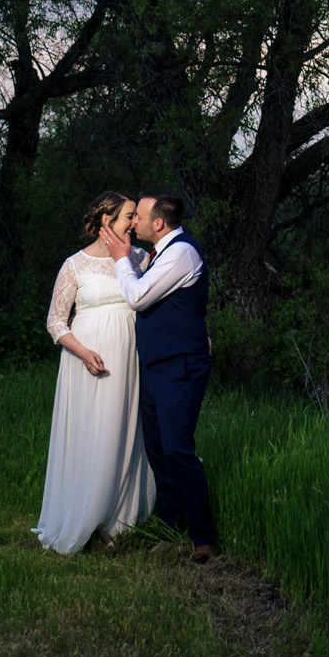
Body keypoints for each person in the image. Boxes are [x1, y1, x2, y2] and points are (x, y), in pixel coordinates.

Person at [32, 191, 155, 553]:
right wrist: (83, 352)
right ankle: (84, 517)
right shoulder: (75, 265)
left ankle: (120, 520)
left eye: (135, 216)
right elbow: (55, 321)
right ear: (107, 220)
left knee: (125, 432)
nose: (135, 222)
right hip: (88, 363)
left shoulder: (139, 258)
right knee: (92, 433)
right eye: (129, 216)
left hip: (129, 360)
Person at [105, 190, 218, 562]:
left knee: (177, 449)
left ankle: (204, 537)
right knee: (158, 449)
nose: (133, 221)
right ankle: (170, 523)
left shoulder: (182, 252)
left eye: (138, 216)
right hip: (156, 364)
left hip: (181, 365)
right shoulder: (158, 255)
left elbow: (137, 296)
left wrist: (121, 259)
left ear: (158, 223)